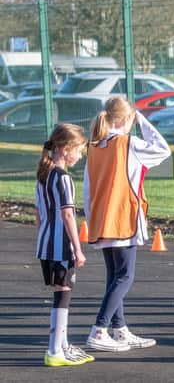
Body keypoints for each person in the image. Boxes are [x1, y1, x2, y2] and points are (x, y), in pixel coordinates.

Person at [84, 96, 171, 352]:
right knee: (125, 276)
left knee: (114, 276)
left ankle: (119, 329)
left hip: (102, 217)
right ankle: (99, 330)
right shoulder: (127, 142)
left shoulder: (95, 145)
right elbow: (163, 149)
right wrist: (142, 119)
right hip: (122, 216)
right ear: (127, 119)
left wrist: (91, 218)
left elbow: (88, 188)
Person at [36, 123, 94, 367]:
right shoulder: (63, 178)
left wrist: (42, 240)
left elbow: (39, 214)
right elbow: (68, 215)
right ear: (65, 148)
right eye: (79, 150)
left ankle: (61, 345)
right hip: (60, 246)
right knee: (63, 296)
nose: (80, 155)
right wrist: (78, 249)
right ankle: (55, 350)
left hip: (45, 243)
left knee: (60, 294)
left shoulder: (43, 174)